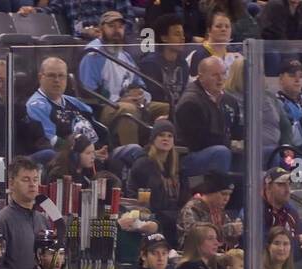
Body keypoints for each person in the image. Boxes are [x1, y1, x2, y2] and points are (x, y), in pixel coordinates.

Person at [80, 10, 169, 147]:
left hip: (128, 102)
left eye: (120, 27)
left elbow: (138, 82)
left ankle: (158, 155)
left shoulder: (124, 55)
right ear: (101, 28)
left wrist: (139, 94)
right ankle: (131, 157)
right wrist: (119, 100)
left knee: (167, 109)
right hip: (104, 108)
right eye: (112, 26)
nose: (117, 30)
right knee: (129, 110)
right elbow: (88, 92)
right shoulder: (94, 54)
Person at [174, 56, 237, 178]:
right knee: (221, 152)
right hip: (189, 157)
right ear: (201, 77)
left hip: (222, 148)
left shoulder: (229, 100)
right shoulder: (190, 102)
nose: (220, 79)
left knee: (256, 155)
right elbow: (198, 142)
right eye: (215, 75)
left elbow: (237, 130)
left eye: (223, 74)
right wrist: (230, 143)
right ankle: (217, 193)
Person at [0, 158, 49, 269]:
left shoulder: (42, 220)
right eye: (26, 180)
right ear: (11, 184)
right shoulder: (0, 222)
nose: (32, 184)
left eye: (35, 179)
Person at [26, 57, 100, 155]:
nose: (57, 80)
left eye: (61, 76)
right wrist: (82, 153)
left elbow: (94, 123)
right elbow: (51, 140)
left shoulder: (74, 102)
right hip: (68, 158)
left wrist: (101, 149)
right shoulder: (36, 105)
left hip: (93, 152)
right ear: (40, 77)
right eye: (51, 75)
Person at [127, 118, 182, 240]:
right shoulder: (143, 164)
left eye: (170, 136)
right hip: (152, 219)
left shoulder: (177, 166)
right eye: (161, 135)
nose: (165, 139)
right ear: (153, 139)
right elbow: (139, 199)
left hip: (173, 219)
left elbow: (184, 197)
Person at [177, 170, 240, 248]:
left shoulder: (219, 211)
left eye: (229, 194)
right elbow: (194, 237)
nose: (227, 198)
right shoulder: (192, 209)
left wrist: (237, 232)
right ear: (210, 192)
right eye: (223, 194)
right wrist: (230, 229)